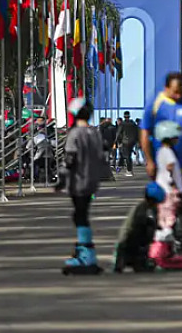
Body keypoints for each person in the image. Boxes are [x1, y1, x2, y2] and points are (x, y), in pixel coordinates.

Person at [140, 72, 182, 252]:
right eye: (175, 91)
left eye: (180, 91)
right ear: (166, 88)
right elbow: (144, 132)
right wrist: (149, 160)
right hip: (161, 166)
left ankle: (180, 241)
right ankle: (160, 241)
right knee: (160, 204)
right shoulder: (155, 104)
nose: (178, 95)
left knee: (180, 204)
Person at [57, 98, 106, 274]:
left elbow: (70, 158)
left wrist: (62, 179)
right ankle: (85, 251)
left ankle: (85, 254)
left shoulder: (75, 134)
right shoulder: (95, 133)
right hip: (92, 181)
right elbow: (101, 156)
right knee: (82, 213)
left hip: (77, 181)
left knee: (80, 215)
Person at [149, 120, 182, 269]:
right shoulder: (168, 152)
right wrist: (174, 186)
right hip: (170, 191)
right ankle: (169, 251)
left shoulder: (161, 151)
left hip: (164, 190)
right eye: (175, 137)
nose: (177, 140)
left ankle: (165, 251)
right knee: (172, 221)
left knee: (166, 221)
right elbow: (170, 167)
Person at [118, 111, 140, 176]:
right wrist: (137, 140)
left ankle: (129, 170)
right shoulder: (133, 124)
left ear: (124, 116)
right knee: (129, 155)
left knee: (127, 156)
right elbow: (137, 133)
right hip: (132, 142)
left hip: (125, 141)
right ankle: (129, 170)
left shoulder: (122, 124)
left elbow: (118, 133)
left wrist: (119, 142)